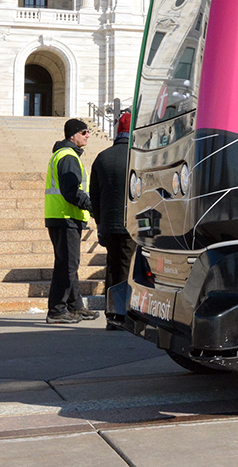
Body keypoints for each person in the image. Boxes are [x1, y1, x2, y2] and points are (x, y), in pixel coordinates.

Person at [44, 118, 99, 324]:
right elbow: (70, 192)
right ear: (72, 135)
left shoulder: (66, 155)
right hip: (65, 216)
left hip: (62, 216)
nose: (87, 135)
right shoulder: (68, 157)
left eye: (88, 132)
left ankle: (75, 306)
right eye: (84, 132)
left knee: (69, 263)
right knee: (67, 265)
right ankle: (57, 311)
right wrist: (92, 206)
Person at [89, 111, 136, 329]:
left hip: (108, 223)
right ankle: (124, 314)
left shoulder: (102, 157)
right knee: (128, 268)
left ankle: (111, 315)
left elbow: (94, 194)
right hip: (131, 223)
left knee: (112, 266)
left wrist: (99, 221)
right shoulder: (138, 155)